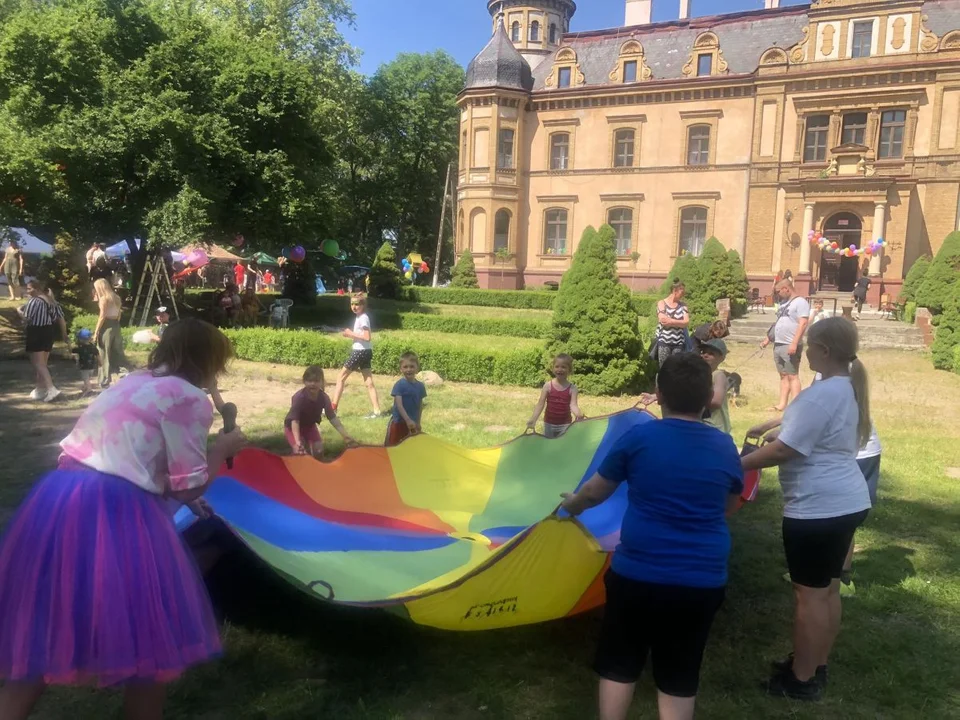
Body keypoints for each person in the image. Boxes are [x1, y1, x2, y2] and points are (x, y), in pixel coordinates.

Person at [0, 319, 244, 719]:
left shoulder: (133, 381)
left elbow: (129, 455)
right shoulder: (187, 398)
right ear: (208, 361)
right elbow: (188, 487)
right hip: (116, 513)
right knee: (149, 634)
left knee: (47, 624)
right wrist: (223, 449)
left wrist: (168, 488)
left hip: (60, 498)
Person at [560, 353, 744, 720]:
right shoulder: (724, 446)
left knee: (619, 662)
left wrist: (574, 505)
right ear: (708, 396)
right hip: (701, 580)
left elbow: (596, 491)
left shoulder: (639, 438)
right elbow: (730, 503)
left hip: (638, 575)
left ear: (658, 394)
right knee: (679, 672)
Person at [742, 317, 872, 701]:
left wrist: (737, 463)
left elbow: (786, 450)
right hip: (845, 501)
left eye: (809, 344)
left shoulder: (823, 394)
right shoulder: (845, 387)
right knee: (828, 590)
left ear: (825, 351)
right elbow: (800, 434)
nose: (803, 350)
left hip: (819, 510)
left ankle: (800, 680)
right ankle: (816, 663)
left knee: (809, 595)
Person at [761, 279, 810, 412]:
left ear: (786, 289)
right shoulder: (783, 303)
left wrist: (794, 342)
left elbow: (803, 323)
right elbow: (779, 322)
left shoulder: (801, 302)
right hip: (778, 344)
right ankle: (782, 404)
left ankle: (796, 407)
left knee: (792, 375)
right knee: (783, 375)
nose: (778, 295)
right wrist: (768, 339)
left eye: (778, 291)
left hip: (790, 344)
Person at [285, 366, 355, 457]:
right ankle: (292, 466)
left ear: (322, 382)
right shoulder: (299, 398)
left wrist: (345, 435)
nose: (313, 384)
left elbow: (332, 418)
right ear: (304, 381)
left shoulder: (324, 398)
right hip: (293, 427)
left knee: (318, 451)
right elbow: (295, 421)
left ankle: (316, 469)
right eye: (309, 381)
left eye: (316, 381)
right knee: (299, 451)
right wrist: (298, 441)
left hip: (310, 427)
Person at [331, 294, 382, 418]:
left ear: (363, 305)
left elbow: (367, 337)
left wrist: (350, 334)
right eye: (352, 304)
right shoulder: (360, 317)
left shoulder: (363, 318)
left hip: (359, 352)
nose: (354, 307)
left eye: (357, 304)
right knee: (368, 382)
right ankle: (377, 411)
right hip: (366, 351)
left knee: (340, 378)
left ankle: (333, 409)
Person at [18, 280, 66, 402]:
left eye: (29, 289)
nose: (28, 291)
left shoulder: (34, 301)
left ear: (37, 289)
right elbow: (60, 318)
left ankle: (51, 389)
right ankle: (40, 389)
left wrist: (19, 311)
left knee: (38, 363)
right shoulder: (52, 302)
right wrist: (64, 335)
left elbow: (27, 319)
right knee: (42, 363)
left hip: (36, 332)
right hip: (49, 332)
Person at [526, 354, 584, 438]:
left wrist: (579, 414)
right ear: (553, 369)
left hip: (565, 425)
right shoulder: (548, 386)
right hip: (549, 423)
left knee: (562, 447)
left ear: (569, 370)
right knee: (549, 447)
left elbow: (573, 405)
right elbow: (540, 404)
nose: (560, 369)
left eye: (563, 367)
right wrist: (533, 419)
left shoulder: (572, 388)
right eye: (557, 366)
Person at [385, 352, 428, 446]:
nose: (409, 369)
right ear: (401, 369)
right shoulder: (399, 385)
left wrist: (418, 422)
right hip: (398, 423)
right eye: (405, 367)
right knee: (393, 447)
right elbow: (399, 405)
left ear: (417, 368)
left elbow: (420, 406)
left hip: (412, 423)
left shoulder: (420, 386)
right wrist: (407, 420)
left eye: (412, 366)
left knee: (409, 447)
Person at [93, 278, 126, 388]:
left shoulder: (104, 299)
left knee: (103, 352)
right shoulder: (116, 297)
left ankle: (104, 379)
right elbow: (119, 314)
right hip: (116, 325)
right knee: (117, 351)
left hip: (106, 326)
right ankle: (123, 372)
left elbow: (102, 316)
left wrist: (96, 331)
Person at [654, 280, 690, 366]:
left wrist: (671, 321)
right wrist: (679, 323)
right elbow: (663, 321)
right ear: (675, 290)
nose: (684, 293)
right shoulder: (662, 303)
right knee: (663, 368)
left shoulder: (683, 306)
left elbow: (686, 322)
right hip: (664, 342)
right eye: (682, 291)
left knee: (676, 368)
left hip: (679, 343)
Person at [700, 339, 731, 435]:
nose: (705, 355)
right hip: (704, 426)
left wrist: (690, 401)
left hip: (717, 428)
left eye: (711, 353)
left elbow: (716, 402)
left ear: (722, 358)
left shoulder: (718, 375)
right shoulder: (700, 376)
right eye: (703, 352)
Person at [71, 328, 99, 396]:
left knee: (85, 379)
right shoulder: (93, 347)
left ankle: (89, 390)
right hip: (92, 367)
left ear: (80, 339)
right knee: (88, 379)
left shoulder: (80, 348)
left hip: (84, 367)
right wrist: (100, 363)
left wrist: (69, 344)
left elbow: (72, 350)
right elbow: (98, 355)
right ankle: (85, 388)